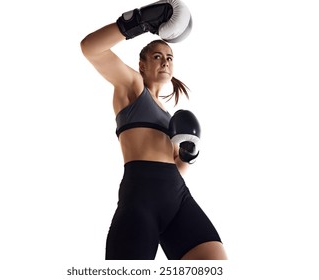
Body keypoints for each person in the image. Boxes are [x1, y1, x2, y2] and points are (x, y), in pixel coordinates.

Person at [80, 0, 227, 260]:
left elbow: (175, 168)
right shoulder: (133, 89)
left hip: (178, 198)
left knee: (215, 266)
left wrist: (187, 157)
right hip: (141, 198)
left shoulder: (170, 118)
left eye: (169, 57)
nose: (165, 62)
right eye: (157, 56)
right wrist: (139, 21)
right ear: (142, 65)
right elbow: (91, 48)